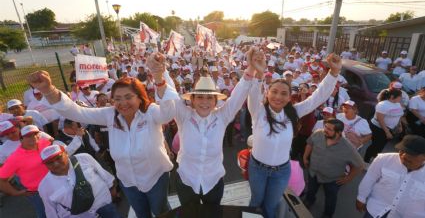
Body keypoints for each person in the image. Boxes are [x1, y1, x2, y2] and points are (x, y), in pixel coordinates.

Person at [28, 69, 177, 218]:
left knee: (161, 211)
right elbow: (76, 112)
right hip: (128, 181)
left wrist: (159, 77)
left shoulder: (150, 112)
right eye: (117, 98)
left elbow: (168, 113)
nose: (123, 103)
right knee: (142, 214)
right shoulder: (110, 115)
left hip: (156, 177)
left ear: (139, 97)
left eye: (128, 97)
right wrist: (48, 90)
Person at [150, 48, 258, 207]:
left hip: (213, 181)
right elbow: (171, 92)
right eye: (199, 97)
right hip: (186, 181)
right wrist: (161, 70)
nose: (204, 102)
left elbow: (239, 94)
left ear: (216, 101)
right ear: (192, 100)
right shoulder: (183, 115)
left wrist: (251, 68)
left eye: (209, 98)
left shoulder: (222, 116)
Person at [247, 53, 342, 218]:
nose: (278, 96)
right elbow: (253, 94)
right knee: (256, 202)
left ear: (289, 97)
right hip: (258, 169)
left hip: (281, 171)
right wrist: (259, 74)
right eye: (274, 92)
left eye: (284, 93)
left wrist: (333, 73)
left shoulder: (295, 112)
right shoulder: (258, 111)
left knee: (271, 207)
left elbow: (317, 97)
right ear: (267, 93)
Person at [303, 119, 365, 218]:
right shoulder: (318, 134)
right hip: (314, 172)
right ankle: (309, 201)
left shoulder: (347, 147)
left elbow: (360, 165)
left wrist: (348, 178)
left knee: (330, 199)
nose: (325, 130)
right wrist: (305, 157)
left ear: (339, 132)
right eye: (325, 127)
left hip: (332, 180)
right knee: (311, 190)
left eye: (329, 129)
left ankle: (328, 214)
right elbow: (310, 143)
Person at [38, 145, 121, 218]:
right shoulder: (44, 186)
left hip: (105, 208)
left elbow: (106, 177)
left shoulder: (84, 158)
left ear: (66, 153)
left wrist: (111, 196)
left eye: (58, 158)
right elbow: (51, 211)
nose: (56, 164)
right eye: (50, 162)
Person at [356, 135, 425, 218]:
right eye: (402, 150)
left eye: (410, 155)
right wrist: (361, 198)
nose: (403, 156)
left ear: (423, 157)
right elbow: (370, 178)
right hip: (376, 209)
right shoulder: (384, 159)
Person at [0, 125, 51, 218]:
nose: (33, 137)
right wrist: (15, 193)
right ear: (21, 139)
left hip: (55, 185)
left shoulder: (45, 143)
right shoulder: (15, 158)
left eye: (35, 134)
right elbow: (1, 179)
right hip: (37, 193)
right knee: (44, 214)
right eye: (28, 136)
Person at [364, 88, 404, 163]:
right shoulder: (383, 105)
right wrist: (387, 132)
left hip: (390, 129)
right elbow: (380, 120)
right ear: (392, 96)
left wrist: (400, 126)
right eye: (400, 96)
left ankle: (374, 158)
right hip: (379, 128)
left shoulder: (398, 104)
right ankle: (366, 161)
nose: (401, 98)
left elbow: (399, 116)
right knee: (376, 145)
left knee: (381, 145)